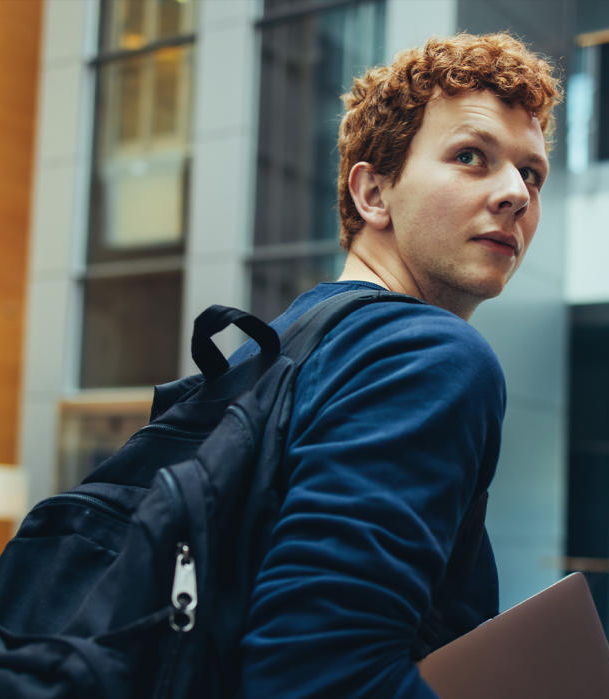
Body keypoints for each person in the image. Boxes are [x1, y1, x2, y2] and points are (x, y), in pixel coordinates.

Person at [232, 33, 562, 697]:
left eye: (530, 173)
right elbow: (319, 678)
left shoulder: (271, 347)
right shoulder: (429, 357)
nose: (516, 195)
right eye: (472, 157)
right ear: (374, 193)